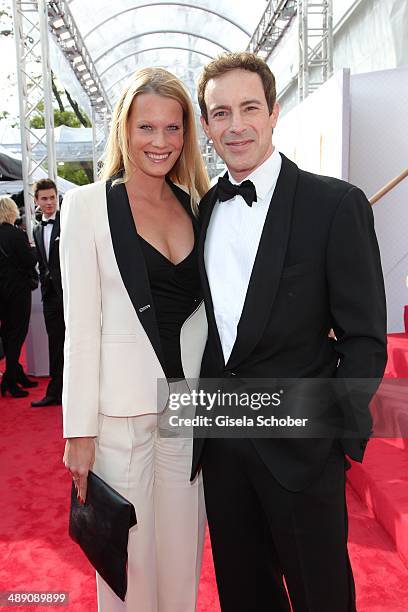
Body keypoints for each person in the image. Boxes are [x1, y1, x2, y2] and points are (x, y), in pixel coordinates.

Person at [191, 52, 387, 612]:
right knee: (244, 594)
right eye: (220, 113)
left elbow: (365, 337)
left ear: (274, 112)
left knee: (321, 596)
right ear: (206, 125)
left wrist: (333, 440)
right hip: (225, 447)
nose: (236, 125)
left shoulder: (334, 204)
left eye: (249, 107)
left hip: (303, 450)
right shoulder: (204, 211)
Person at [61, 67, 209, 612]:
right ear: (123, 129)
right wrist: (78, 431)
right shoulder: (88, 206)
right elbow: (79, 327)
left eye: (173, 129)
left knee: (182, 559)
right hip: (118, 417)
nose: (160, 142)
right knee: (130, 571)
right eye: (147, 127)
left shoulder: (195, 205)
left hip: (185, 411)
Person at [0, 196, 38, 398]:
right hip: (17, 292)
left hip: (1, 293)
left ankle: (17, 373)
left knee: (7, 333)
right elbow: (30, 261)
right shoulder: (16, 235)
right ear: (11, 211)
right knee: (16, 335)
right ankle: (10, 380)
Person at [31, 179, 65, 407]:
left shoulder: (67, 224)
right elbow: (43, 264)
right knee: (55, 344)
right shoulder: (35, 229)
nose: (49, 202)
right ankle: (55, 392)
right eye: (44, 198)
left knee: (76, 344)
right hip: (50, 296)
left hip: (70, 294)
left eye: (52, 197)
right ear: (36, 201)